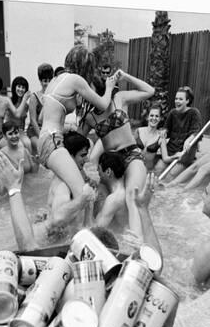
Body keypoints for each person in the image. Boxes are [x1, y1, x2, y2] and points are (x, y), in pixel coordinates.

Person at [0, 150, 162, 259]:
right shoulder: (121, 194)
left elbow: (29, 247)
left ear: (108, 172)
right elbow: (156, 264)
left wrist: (13, 189)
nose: (97, 172)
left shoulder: (114, 199)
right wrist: (143, 209)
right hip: (122, 243)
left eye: (100, 169)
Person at [38, 45, 119, 225]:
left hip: (46, 140)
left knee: (67, 187)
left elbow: (42, 116)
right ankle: (86, 230)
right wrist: (109, 86)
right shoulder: (75, 79)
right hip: (53, 141)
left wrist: (63, 127)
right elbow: (103, 104)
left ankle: (48, 219)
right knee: (84, 193)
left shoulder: (55, 81)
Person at [83, 69, 155, 239]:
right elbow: (78, 142)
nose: (87, 93)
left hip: (132, 155)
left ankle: (136, 240)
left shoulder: (119, 98)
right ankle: (110, 233)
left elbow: (149, 91)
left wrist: (127, 77)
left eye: (90, 89)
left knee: (132, 196)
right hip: (110, 163)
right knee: (100, 198)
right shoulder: (90, 117)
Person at [154, 86, 203, 180]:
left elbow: (197, 131)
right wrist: (164, 131)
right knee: (158, 169)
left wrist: (188, 140)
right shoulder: (173, 113)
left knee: (170, 176)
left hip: (184, 153)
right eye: (176, 98)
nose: (177, 101)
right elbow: (166, 128)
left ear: (187, 101)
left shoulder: (194, 113)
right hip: (171, 149)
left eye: (181, 99)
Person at [28, 63, 54, 155]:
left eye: (49, 80)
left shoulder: (54, 96)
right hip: (35, 131)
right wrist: (41, 136)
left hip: (49, 129)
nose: (47, 83)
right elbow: (33, 120)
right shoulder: (34, 97)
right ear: (40, 81)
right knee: (43, 146)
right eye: (45, 81)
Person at [3, 76, 32, 151]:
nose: (21, 89)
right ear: (14, 87)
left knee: (28, 143)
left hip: (20, 131)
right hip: (9, 131)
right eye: (19, 86)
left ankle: (28, 161)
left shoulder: (26, 105)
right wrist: (25, 99)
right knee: (19, 145)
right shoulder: (9, 101)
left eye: (23, 87)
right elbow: (17, 115)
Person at [135, 104, 166, 171]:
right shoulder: (138, 131)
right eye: (151, 115)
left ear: (160, 118)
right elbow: (129, 149)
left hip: (148, 170)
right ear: (147, 117)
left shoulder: (161, 136)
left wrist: (176, 156)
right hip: (135, 168)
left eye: (157, 116)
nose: (154, 118)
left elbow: (166, 158)